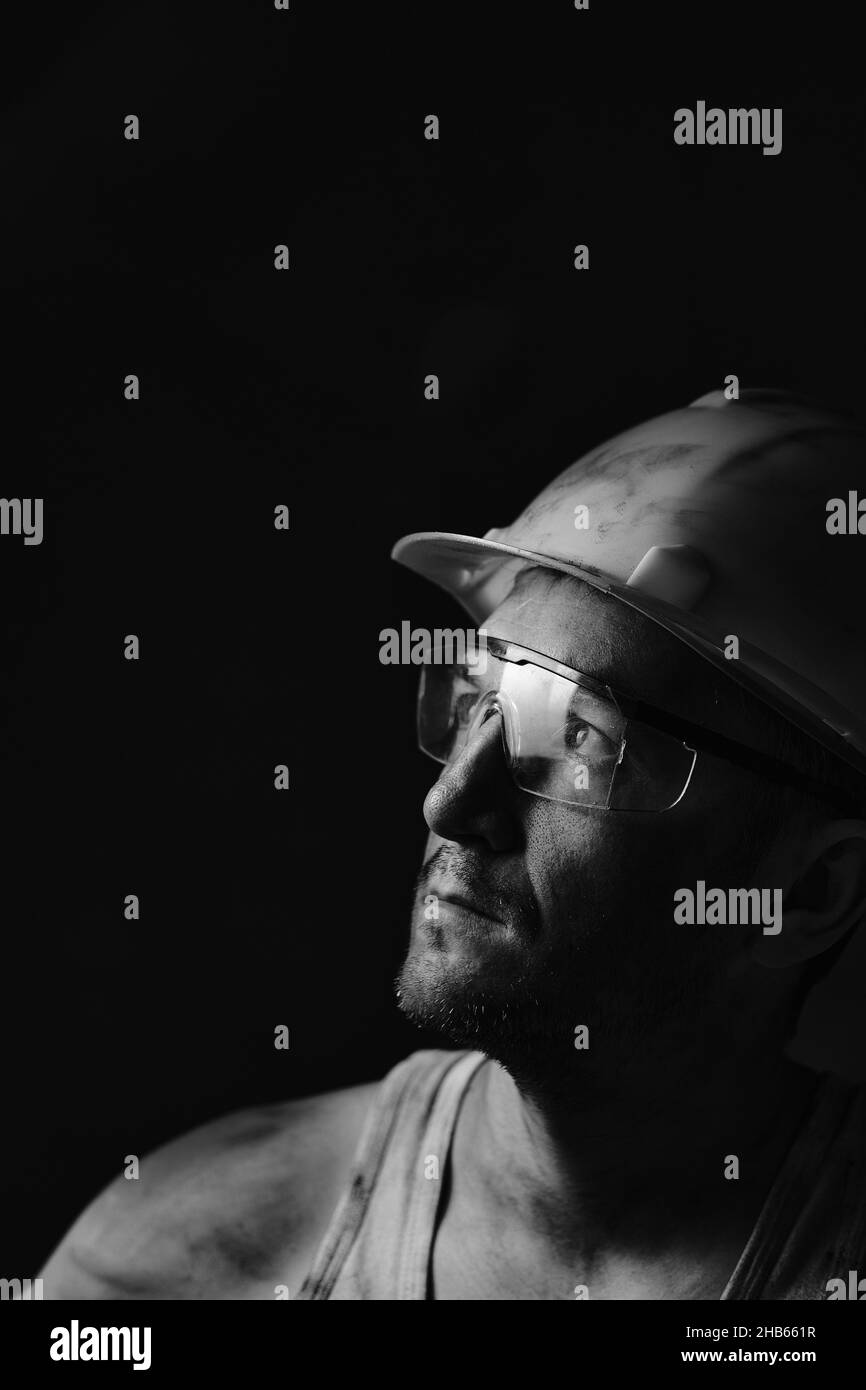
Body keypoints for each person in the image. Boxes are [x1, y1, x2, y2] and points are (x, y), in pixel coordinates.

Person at [39, 388, 866, 1300]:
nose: (449, 801)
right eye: (478, 704)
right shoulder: (192, 1259)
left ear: (811, 887)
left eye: (580, 737)